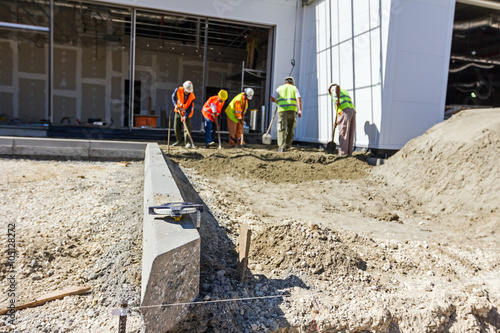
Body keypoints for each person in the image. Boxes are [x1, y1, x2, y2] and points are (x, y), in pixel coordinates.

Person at [270, 76, 302, 152]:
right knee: (291, 128)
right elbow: (299, 99)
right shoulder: (294, 88)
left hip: (282, 110)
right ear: (292, 83)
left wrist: (277, 101)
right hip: (292, 110)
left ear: (285, 82)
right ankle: (287, 144)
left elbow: (271, 98)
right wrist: (300, 110)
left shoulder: (280, 88)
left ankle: (281, 147)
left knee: (281, 128)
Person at [328, 83, 356, 156]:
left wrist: (337, 100)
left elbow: (336, 87)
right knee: (350, 133)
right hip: (352, 111)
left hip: (345, 111)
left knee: (343, 133)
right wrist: (337, 121)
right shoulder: (344, 91)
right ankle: (349, 152)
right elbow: (340, 111)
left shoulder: (333, 88)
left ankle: (343, 153)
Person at [171, 80, 195, 148]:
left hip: (187, 113)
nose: (188, 92)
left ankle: (188, 143)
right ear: (184, 88)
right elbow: (173, 97)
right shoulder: (178, 90)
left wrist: (185, 116)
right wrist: (175, 104)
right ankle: (179, 141)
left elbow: (189, 108)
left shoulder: (192, 96)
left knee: (186, 128)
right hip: (178, 111)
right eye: (187, 91)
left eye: (189, 91)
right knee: (176, 127)